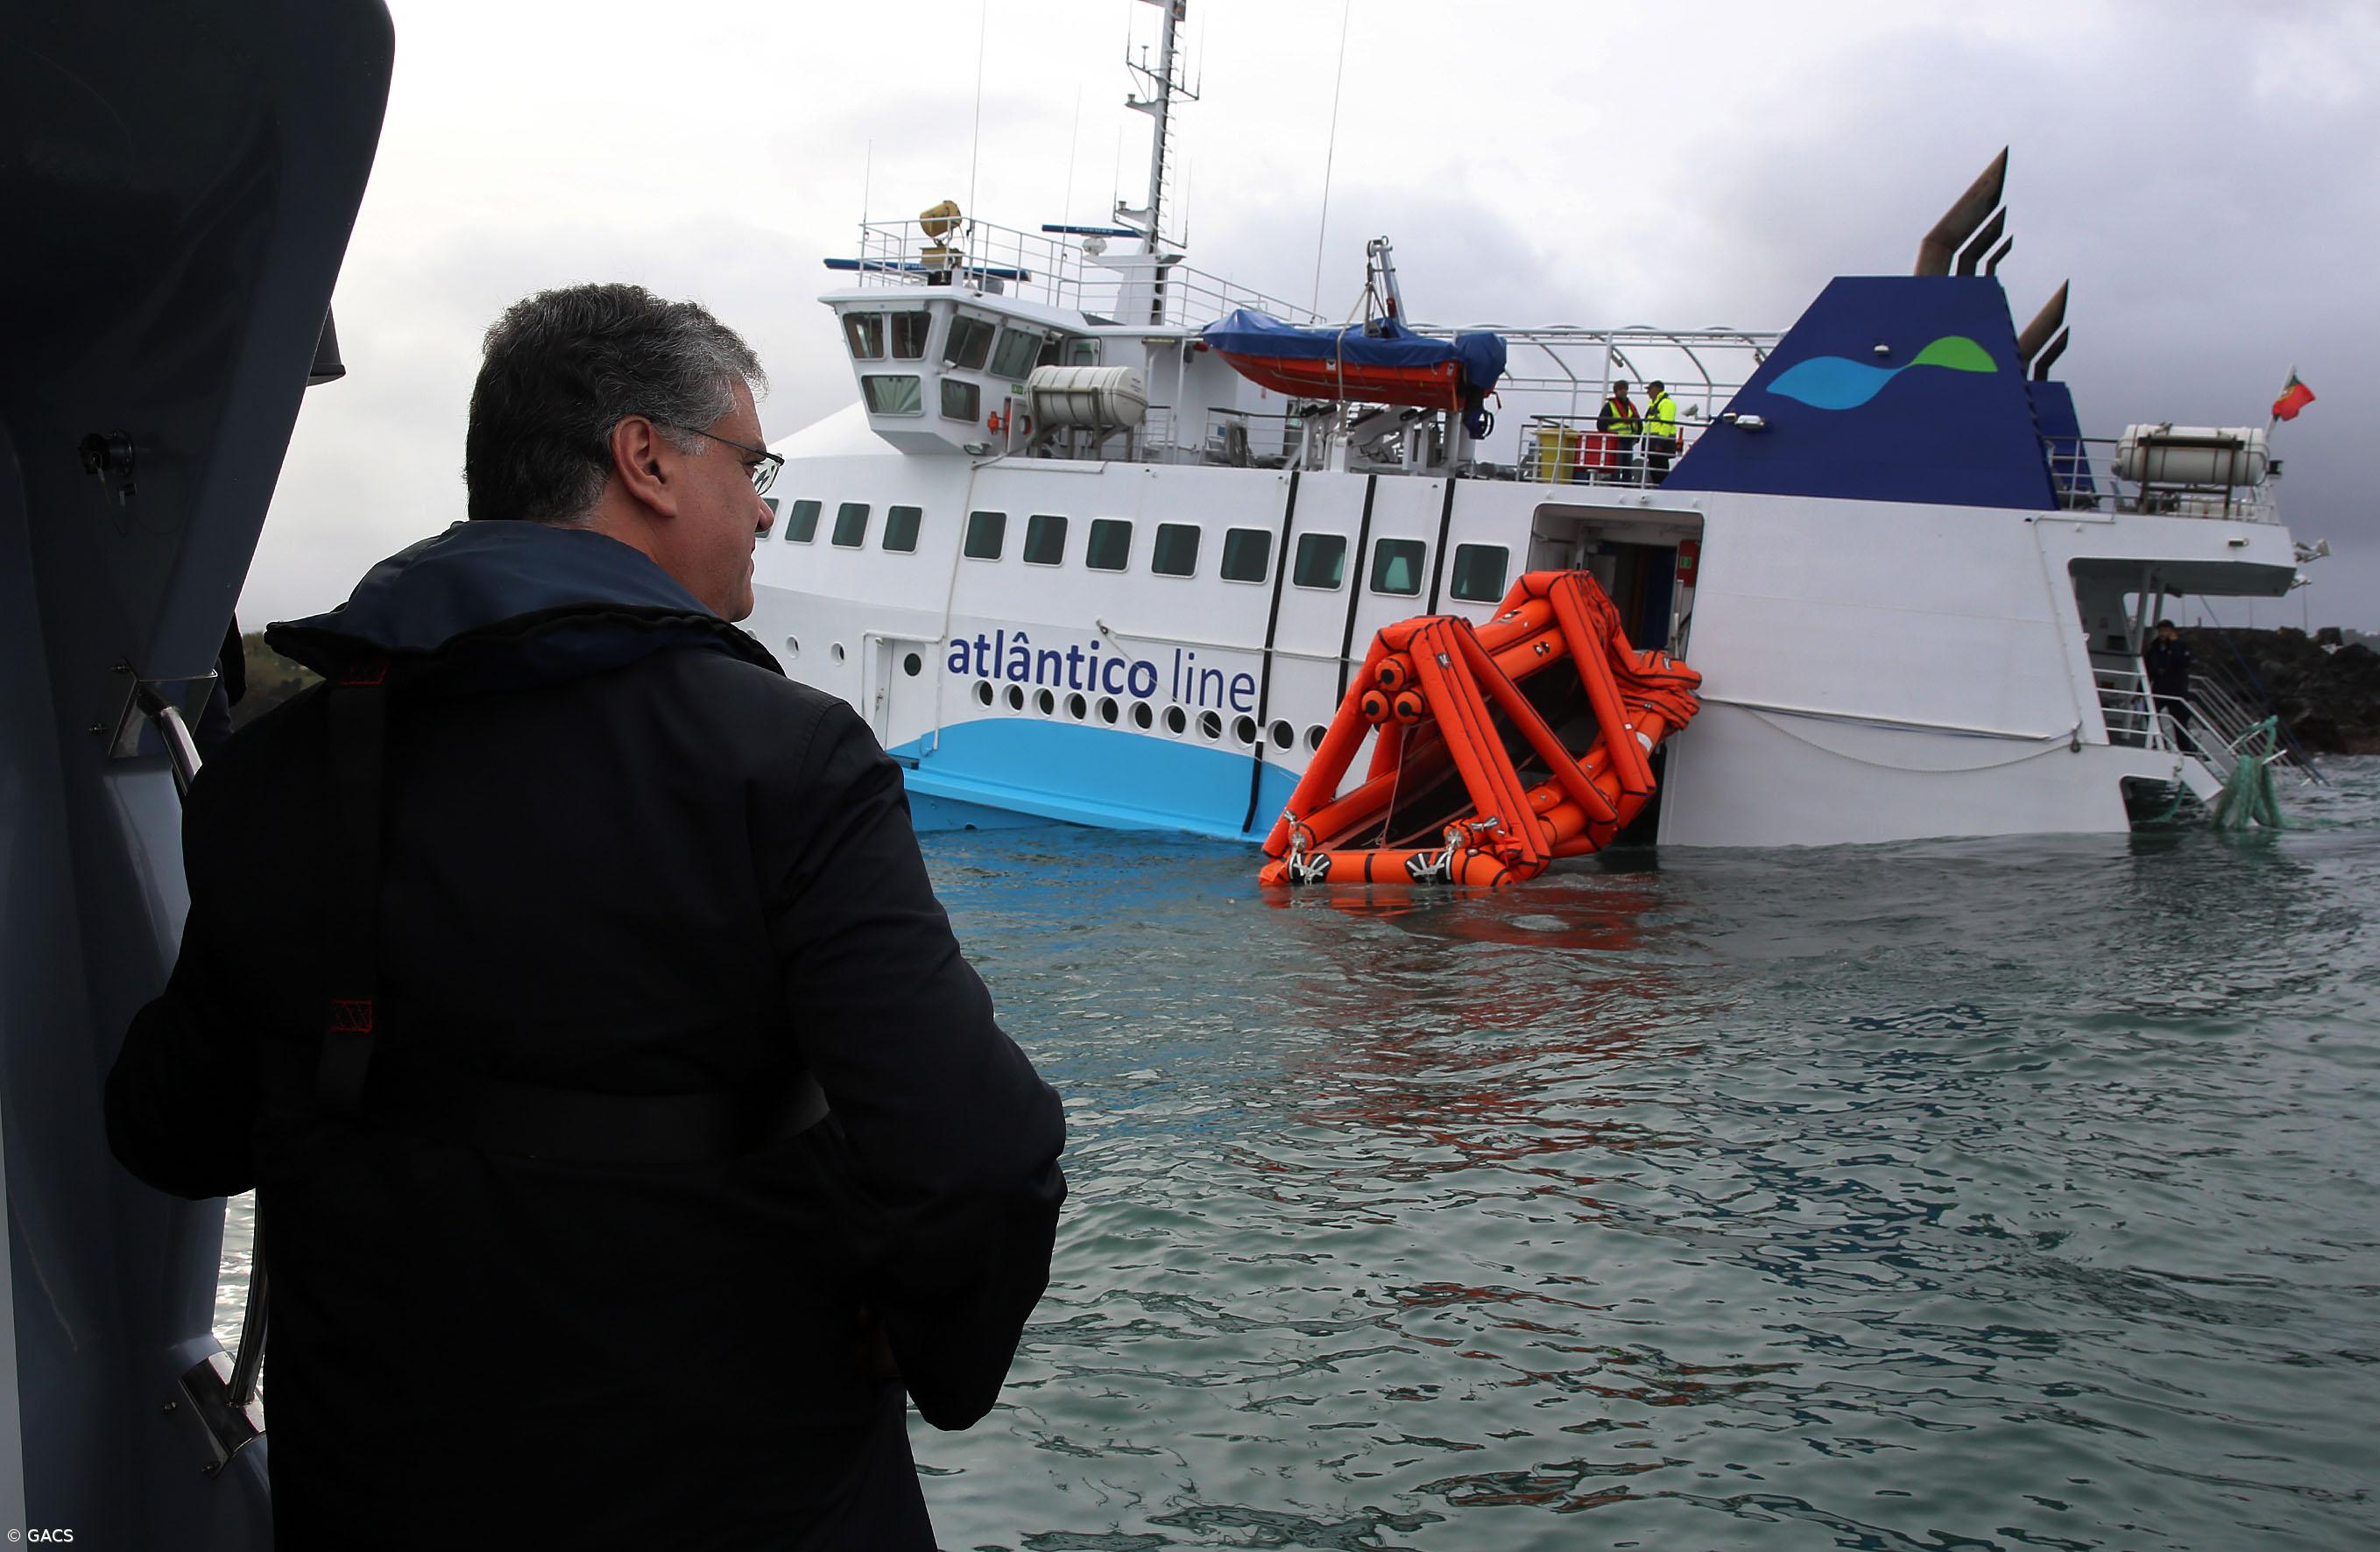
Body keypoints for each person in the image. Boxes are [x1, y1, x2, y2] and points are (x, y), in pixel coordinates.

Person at [105, 283, 1066, 1550]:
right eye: (751, 462)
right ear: (646, 459)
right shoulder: (787, 762)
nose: (767, 505)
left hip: (377, 1497)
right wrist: (931, 1354)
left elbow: (172, 1129)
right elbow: (983, 1157)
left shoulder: (278, 775)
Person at [2144, 618, 2194, 749]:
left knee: (2180, 721)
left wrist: (2174, 643)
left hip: (2176, 689)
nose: (2162, 634)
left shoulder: (2181, 646)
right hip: (2159, 688)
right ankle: (2159, 741)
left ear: (2172, 632)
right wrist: (2140, 690)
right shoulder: (2154, 648)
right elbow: (2147, 669)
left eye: (2166, 631)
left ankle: (2185, 749)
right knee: (2149, 712)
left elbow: (2182, 663)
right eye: (2161, 631)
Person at [1596, 379, 1641, 482]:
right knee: (1616, 466)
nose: (1623, 391)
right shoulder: (1610, 406)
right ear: (1616, 391)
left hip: (1629, 441)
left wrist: (1637, 438)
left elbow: (1638, 423)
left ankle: (1626, 485)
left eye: (1625, 389)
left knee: (1627, 467)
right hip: (1616, 441)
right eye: (1620, 389)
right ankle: (1615, 484)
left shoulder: (1631, 407)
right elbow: (1601, 423)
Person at [1642, 379, 1680, 484]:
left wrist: (1660, 442)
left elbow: (1666, 423)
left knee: (1660, 469)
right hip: (1652, 442)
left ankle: (1662, 486)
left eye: (1650, 389)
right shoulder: (1655, 404)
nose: (1648, 392)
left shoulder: (1666, 403)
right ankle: (1657, 486)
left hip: (1660, 443)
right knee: (1654, 468)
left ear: (1657, 389)